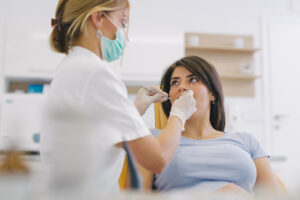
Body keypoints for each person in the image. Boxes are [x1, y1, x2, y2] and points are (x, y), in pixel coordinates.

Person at [40, 0, 197, 192]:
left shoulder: (72, 67)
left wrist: (135, 109)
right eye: (122, 23)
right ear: (98, 18)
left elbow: (99, 131)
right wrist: (179, 113)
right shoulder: (95, 73)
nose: (125, 35)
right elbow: (158, 159)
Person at [138, 56, 281, 196]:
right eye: (175, 83)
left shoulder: (247, 141)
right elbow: (132, 197)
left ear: (212, 93)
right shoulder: (151, 139)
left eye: (193, 80)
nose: (181, 86)